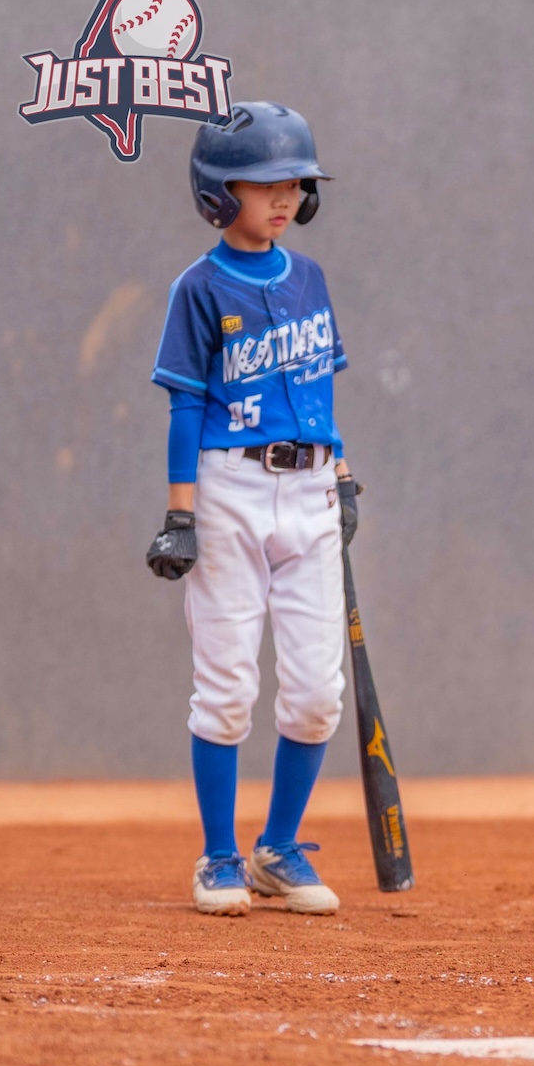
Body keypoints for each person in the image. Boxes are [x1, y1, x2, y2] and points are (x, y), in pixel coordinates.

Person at [144, 102, 354, 918]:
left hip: (311, 486)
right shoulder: (198, 288)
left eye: (295, 181)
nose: (284, 195)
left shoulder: (311, 279)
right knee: (227, 687)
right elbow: (185, 405)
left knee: (317, 693)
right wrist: (181, 514)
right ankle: (219, 856)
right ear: (217, 193)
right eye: (265, 183)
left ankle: (278, 849)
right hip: (228, 487)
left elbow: (318, 387)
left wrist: (342, 471)